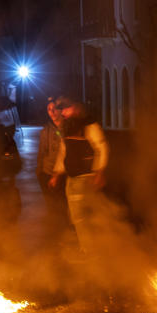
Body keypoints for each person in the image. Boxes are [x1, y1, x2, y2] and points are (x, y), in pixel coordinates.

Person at [49, 99, 109, 254]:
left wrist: (99, 172)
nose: (62, 113)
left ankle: (90, 250)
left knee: (82, 217)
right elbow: (64, 152)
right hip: (72, 178)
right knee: (78, 216)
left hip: (85, 178)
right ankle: (89, 247)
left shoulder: (89, 125)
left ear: (75, 108)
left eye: (65, 109)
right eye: (61, 110)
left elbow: (101, 147)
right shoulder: (67, 128)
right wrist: (57, 174)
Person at [36, 97, 69, 230]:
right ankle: (55, 232)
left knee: (63, 204)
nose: (52, 112)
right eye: (49, 110)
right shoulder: (46, 130)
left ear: (61, 110)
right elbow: (42, 152)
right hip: (47, 172)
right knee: (51, 205)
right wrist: (39, 171)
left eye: (54, 109)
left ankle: (64, 231)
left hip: (64, 173)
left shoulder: (68, 127)